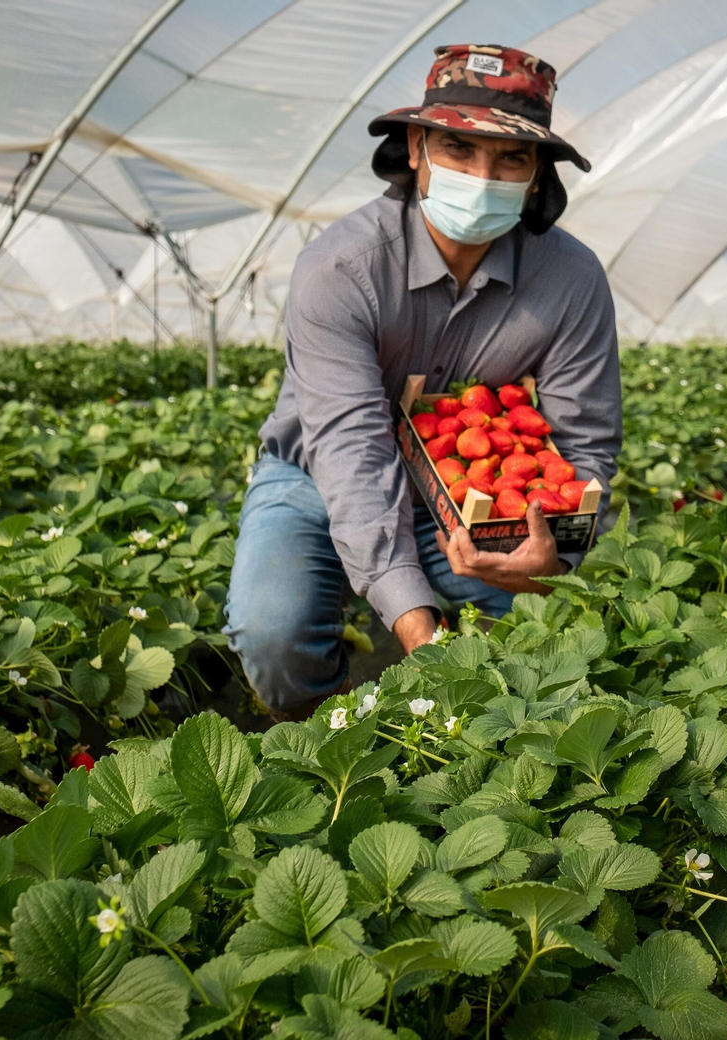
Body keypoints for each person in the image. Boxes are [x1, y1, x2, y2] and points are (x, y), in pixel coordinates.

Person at [225, 44, 621, 721]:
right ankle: (331, 736)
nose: (482, 174)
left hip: (474, 488)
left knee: (545, 646)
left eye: (511, 159)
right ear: (416, 147)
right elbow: (353, 455)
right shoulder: (341, 269)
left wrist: (553, 559)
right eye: (459, 149)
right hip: (316, 476)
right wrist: (417, 630)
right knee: (274, 632)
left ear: (536, 178)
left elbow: (583, 448)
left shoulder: (572, 278)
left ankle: (492, 752)